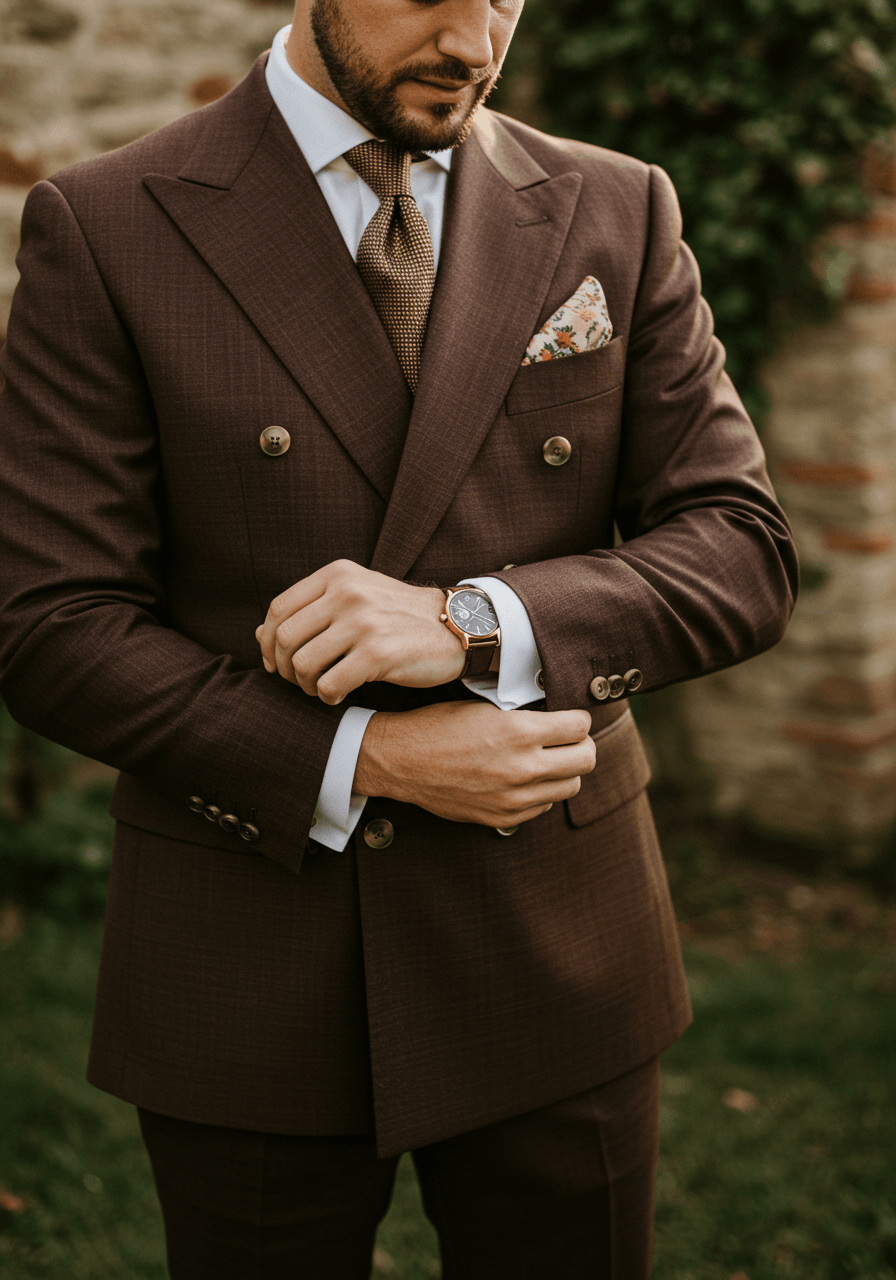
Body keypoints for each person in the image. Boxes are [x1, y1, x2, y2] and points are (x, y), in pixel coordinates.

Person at [0, 0, 798, 1274]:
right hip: (250, 954)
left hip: (558, 937)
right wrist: (366, 761)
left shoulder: (614, 205)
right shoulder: (110, 224)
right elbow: (49, 621)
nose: (476, 39)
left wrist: (471, 623)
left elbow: (738, 547)